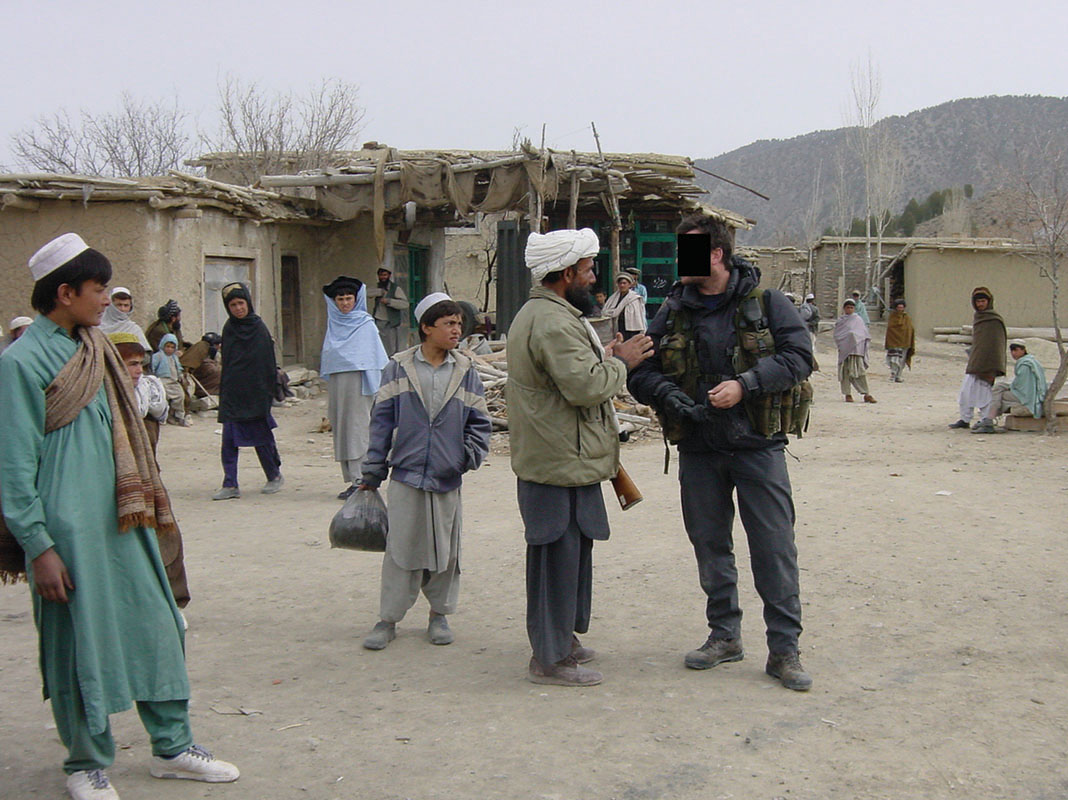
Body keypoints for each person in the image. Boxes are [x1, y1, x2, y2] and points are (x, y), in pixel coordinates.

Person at [0, 233, 237, 800]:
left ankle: (172, 746)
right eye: (98, 289)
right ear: (65, 293)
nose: (107, 299)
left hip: (123, 517)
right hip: (66, 532)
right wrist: (39, 546)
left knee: (157, 623)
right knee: (77, 642)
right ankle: (85, 761)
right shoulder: (21, 362)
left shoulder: (98, 346)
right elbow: (13, 464)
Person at [628, 213, 814, 692]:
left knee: (774, 548)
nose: (677, 261)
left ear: (717, 254)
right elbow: (640, 372)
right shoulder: (672, 309)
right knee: (710, 545)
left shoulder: (767, 303)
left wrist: (746, 385)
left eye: (688, 250)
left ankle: (784, 651)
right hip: (699, 449)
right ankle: (725, 635)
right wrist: (667, 396)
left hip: (757, 447)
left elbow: (799, 358)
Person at [508, 227, 654, 687]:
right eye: (589, 270)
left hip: (566, 461)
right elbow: (585, 386)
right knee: (556, 559)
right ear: (566, 272)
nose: (595, 278)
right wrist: (623, 361)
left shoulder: (553, 315)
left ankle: (561, 643)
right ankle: (548, 660)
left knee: (570, 556)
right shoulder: (550, 320)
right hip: (556, 464)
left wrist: (603, 357)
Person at [359, 293, 491, 650]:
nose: (456, 330)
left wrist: (465, 457)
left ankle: (439, 615)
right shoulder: (398, 368)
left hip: (447, 478)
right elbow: (381, 422)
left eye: (459, 324)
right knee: (401, 549)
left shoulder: (465, 371)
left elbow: (480, 423)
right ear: (426, 327)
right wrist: (372, 471)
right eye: (448, 323)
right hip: (406, 475)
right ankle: (388, 619)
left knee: (446, 551)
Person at [108, 332, 191, 614]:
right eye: (129, 364)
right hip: (113, 486)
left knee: (167, 537)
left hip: (149, 480)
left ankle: (174, 603)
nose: (136, 372)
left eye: (139, 365)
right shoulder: (103, 402)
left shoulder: (148, 394)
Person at [320, 275, 389, 500]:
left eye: (349, 298)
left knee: (358, 429)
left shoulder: (365, 324)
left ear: (356, 299)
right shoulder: (333, 324)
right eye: (340, 299)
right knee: (342, 428)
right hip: (339, 385)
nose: (345, 303)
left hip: (360, 385)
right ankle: (352, 479)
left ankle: (363, 479)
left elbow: (376, 359)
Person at [212, 283, 283, 500]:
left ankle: (273, 475)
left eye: (241, 303)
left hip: (256, 393)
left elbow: (267, 364)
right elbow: (229, 363)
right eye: (232, 305)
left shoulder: (258, 328)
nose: (238, 308)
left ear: (248, 303)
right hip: (233, 394)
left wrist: (267, 394)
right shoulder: (229, 329)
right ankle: (230, 484)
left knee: (261, 438)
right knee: (229, 441)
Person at [950, 286, 1007, 429]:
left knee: (985, 395)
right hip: (975, 362)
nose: (980, 304)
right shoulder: (978, 318)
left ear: (989, 301)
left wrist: (992, 367)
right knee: (965, 392)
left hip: (988, 364)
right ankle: (965, 419)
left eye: (983, 301)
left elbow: (997, 345)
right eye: (978, 302)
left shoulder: (994, 320)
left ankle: (986, 420)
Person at [973, 340, 1047, 433]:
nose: (1013, 353)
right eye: (1012, 351)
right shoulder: (1030, 361)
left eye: (1016, 350)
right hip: (1028, 393)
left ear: (1023, 350)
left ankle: (988, 420)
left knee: (999, 394)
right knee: (998, 389)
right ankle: (988, 419)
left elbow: (1021, 385)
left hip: (1028, 396)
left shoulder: (1025, 365)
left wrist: (1009, 386)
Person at [834, 299, 876, 403]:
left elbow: (864, 334)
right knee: (845, 373)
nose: (849, 309)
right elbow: (837, 335)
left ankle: (866, 393)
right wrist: (847, 338)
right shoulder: (841, 321)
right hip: (845, 352)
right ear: (844, 309)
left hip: (856, 351)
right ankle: (847, 394)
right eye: (847, 307)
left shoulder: (858, 320)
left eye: (851, 307)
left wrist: (854, 337)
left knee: (859, 372)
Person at [366, 267, 410, 356]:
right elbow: (366, 293)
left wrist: (390, 301)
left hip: (390, 322)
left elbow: (405, 304)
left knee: (391, 347)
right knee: (379, 345)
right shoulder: (377, 287)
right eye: (381, 275)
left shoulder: (395, 288)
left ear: (389, 275)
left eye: (385, 275)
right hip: (378, 320)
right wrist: (379, 292)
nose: (383, 277)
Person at [151, 334, 190, 426]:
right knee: (165, 398)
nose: (170, 349)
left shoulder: (174, 357)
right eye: (167, 346)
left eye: (172, 347)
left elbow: (178, 368)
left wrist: (180, 375)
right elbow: (152, 367)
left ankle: (179, 415)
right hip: (162, 380)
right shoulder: (158, 356)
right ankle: (166, 416)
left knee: (180, 396)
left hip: (173, 381)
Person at [601, 273, 648, 340]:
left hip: (632, 329)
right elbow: (606, 311)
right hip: (618, 327)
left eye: (624, 283)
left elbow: (639, 315)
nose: (622, 285)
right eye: (620, 283)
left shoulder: (634, 298)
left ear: (629, 285)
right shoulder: (613, 298)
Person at [884, 298, 915, 383]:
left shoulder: (907, 317)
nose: (900, 309)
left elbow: (910, 329)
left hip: (904, 342)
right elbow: (891, 329)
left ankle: (899, 375)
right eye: (899, 307)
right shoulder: (892, 317)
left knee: (902, 360)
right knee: (894, 358)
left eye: (902, 307)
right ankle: (893, 374)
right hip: (894, 342)